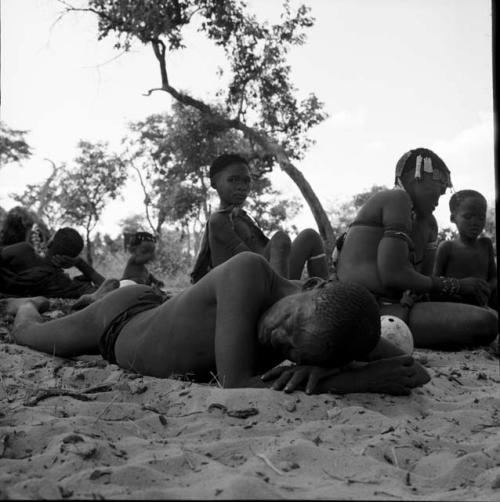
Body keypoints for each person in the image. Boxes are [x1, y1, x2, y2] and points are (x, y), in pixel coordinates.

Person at [7, 252, 429, 395]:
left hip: (154, 311)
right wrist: (352, 381)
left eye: (290, 350)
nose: (275, 336)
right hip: (117, 322)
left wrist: (360, 362)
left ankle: (81, 298)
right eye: (289, 322)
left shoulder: (324, 326)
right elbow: (235, 384)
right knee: (26, 336)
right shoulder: (249, 273)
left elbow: (414, 371)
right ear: (313, 286)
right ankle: (29, 302)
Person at [335, 147, 497, 349]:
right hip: (355, 308)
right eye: (440, 184)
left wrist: (428, 293)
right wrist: (457, 285)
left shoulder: (429, 224)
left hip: (396, 309)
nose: (442, 192)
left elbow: (422, 283)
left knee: (486, 320)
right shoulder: (396, 199)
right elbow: (392, 275)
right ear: (416, 179)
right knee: (484, 323)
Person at [191, 153, 328, 283]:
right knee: (280, 239)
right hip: (245, 285)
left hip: (269, 275)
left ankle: (324, 291)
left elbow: (265, 253)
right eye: (233, 180)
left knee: (310, 236)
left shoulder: (244, 218)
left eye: (246, 181)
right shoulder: (218, 220)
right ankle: (280, 297)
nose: (241, 187)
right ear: (214, 183)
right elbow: (249, 260)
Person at [0, 226, 116, 302]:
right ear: (71, 258)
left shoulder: (23, 251)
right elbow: (108, 287)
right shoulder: (63, 284)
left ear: (50, 243)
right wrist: (80, 263)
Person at [433, 190, 497, 309]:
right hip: (453, 307)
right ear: (453, 218)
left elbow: (494, 277)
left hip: (482, 305)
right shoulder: (447, 247)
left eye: (481, 218)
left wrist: (487, 287)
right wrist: (460, 288)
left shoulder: (486, 245)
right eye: (468, 217)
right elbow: (435, 283)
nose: (475, 223)